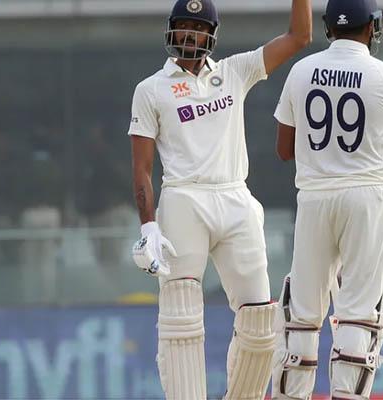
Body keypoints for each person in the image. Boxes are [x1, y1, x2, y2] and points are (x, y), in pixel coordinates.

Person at [126, 0, 312, 398]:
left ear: (211, 34)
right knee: (180, 317)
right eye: (182, 26)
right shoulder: (150, 90)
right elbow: (142, 167)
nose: (188, 34)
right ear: (171, 31)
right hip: (182, 199)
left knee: (262, 322)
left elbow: (299, 37)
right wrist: (148, 225)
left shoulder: (234, 72)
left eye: (197, 27)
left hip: (234, 197)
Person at [270, 0, 383, 397]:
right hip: (367, 197)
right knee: (357, 312)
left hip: (316, 197)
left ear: (327, 27)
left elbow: (284, 149)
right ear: (371, 27)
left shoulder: (301, 71)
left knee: (302, 313)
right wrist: (377, 134)